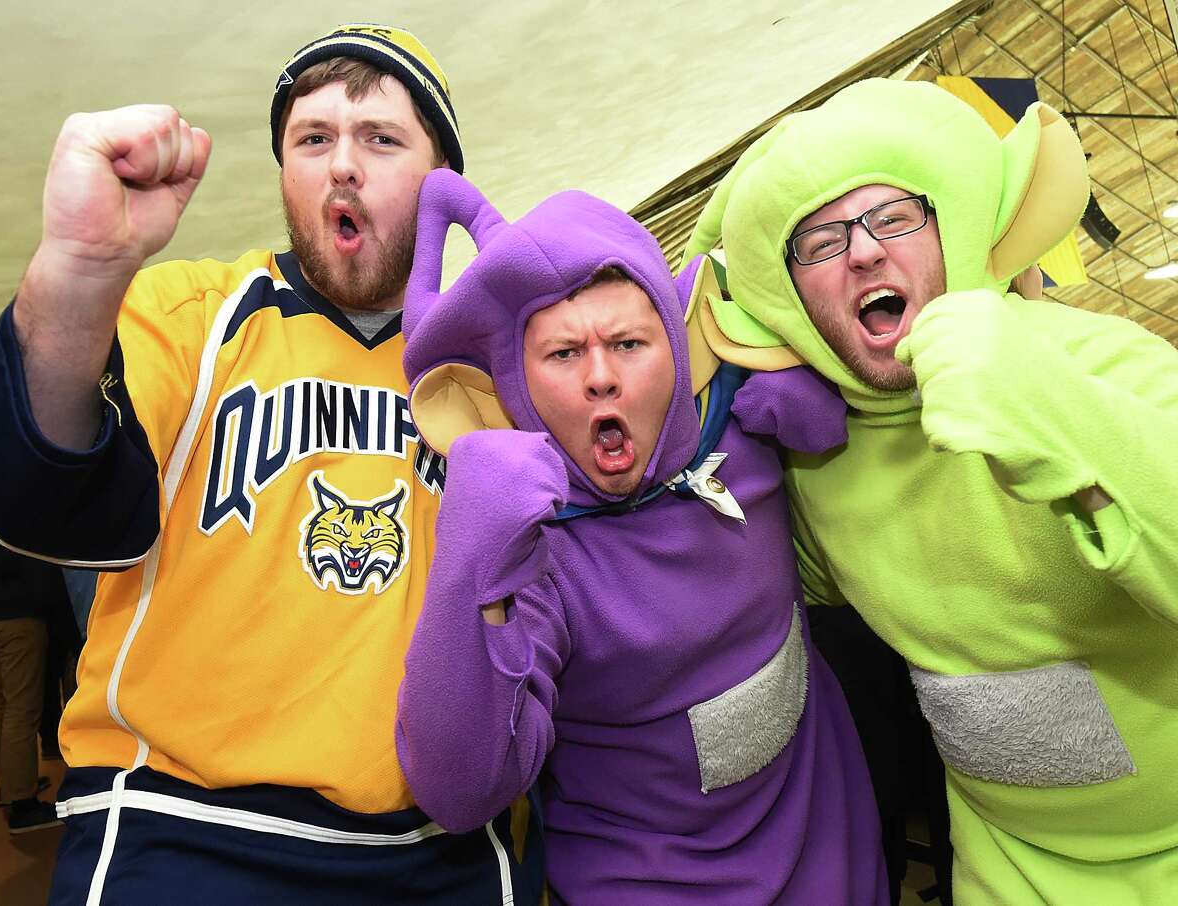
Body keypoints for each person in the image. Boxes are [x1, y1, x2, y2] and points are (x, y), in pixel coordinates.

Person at [0, 24, 542, 904]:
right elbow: (36, 496)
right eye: (312, 139)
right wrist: (77, 274)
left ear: (444, 185)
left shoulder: (489, 370)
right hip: (188, 837)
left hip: (439, 847)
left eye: (380, 138)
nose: (341, 166)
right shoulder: (195, 311)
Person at [683, 77, 1178, 904]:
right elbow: (765, 601)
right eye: (822, 240)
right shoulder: (816, 460)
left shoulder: (1093, 355)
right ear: (791, 298)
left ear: (951, 221)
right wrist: (724, 447)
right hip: (1013, 859)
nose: (866, 251)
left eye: (895, 217)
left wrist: (1056, 413)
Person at [394, 168, 887, 904]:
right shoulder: (537, 559)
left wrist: (808, 378)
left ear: (677, 344)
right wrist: (473, 566)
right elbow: (458, 791)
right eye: (562, 354)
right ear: (517, 385)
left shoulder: (741, 422)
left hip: (827, 845)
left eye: (629, 342)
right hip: (648, 884)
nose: (600, 377)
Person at [0, 536, 68, 833]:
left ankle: (12, 785)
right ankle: (22, 803)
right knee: (22, 710)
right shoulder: (10, 507)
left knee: (4, 704)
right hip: (17, 615)